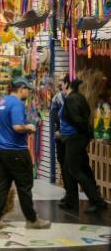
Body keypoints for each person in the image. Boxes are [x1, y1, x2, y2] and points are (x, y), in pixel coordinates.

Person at [0, 78, 51, 230]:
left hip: (0, 148)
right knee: (24, 186)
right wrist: (29, 127)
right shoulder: (17, 103)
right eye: (27, 89)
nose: (28, 92)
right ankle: (32, 220)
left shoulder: (2, 101)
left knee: (2, 184)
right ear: (21, 89)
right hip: (15, 150)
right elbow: (17, 127)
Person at [59, 78, 108, 213]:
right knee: (76, 168)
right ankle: (72, 200)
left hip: (75, 138)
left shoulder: (71, 99)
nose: (60, 86)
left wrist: (81, 132)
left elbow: (77, 119)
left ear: (67, 85)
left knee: (75, 170)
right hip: (77, 138)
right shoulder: (79, 97)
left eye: (62, 84)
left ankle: (97, 201)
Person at [50, 76, 69, 204]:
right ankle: (70, 192)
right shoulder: (74, 97)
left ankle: (69, 192)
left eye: (62, 82)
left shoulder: (58, 98)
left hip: (62, 135)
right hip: (70, 135)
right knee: (67, 163)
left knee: (64, 162)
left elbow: (54, 117)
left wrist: (59, 129)